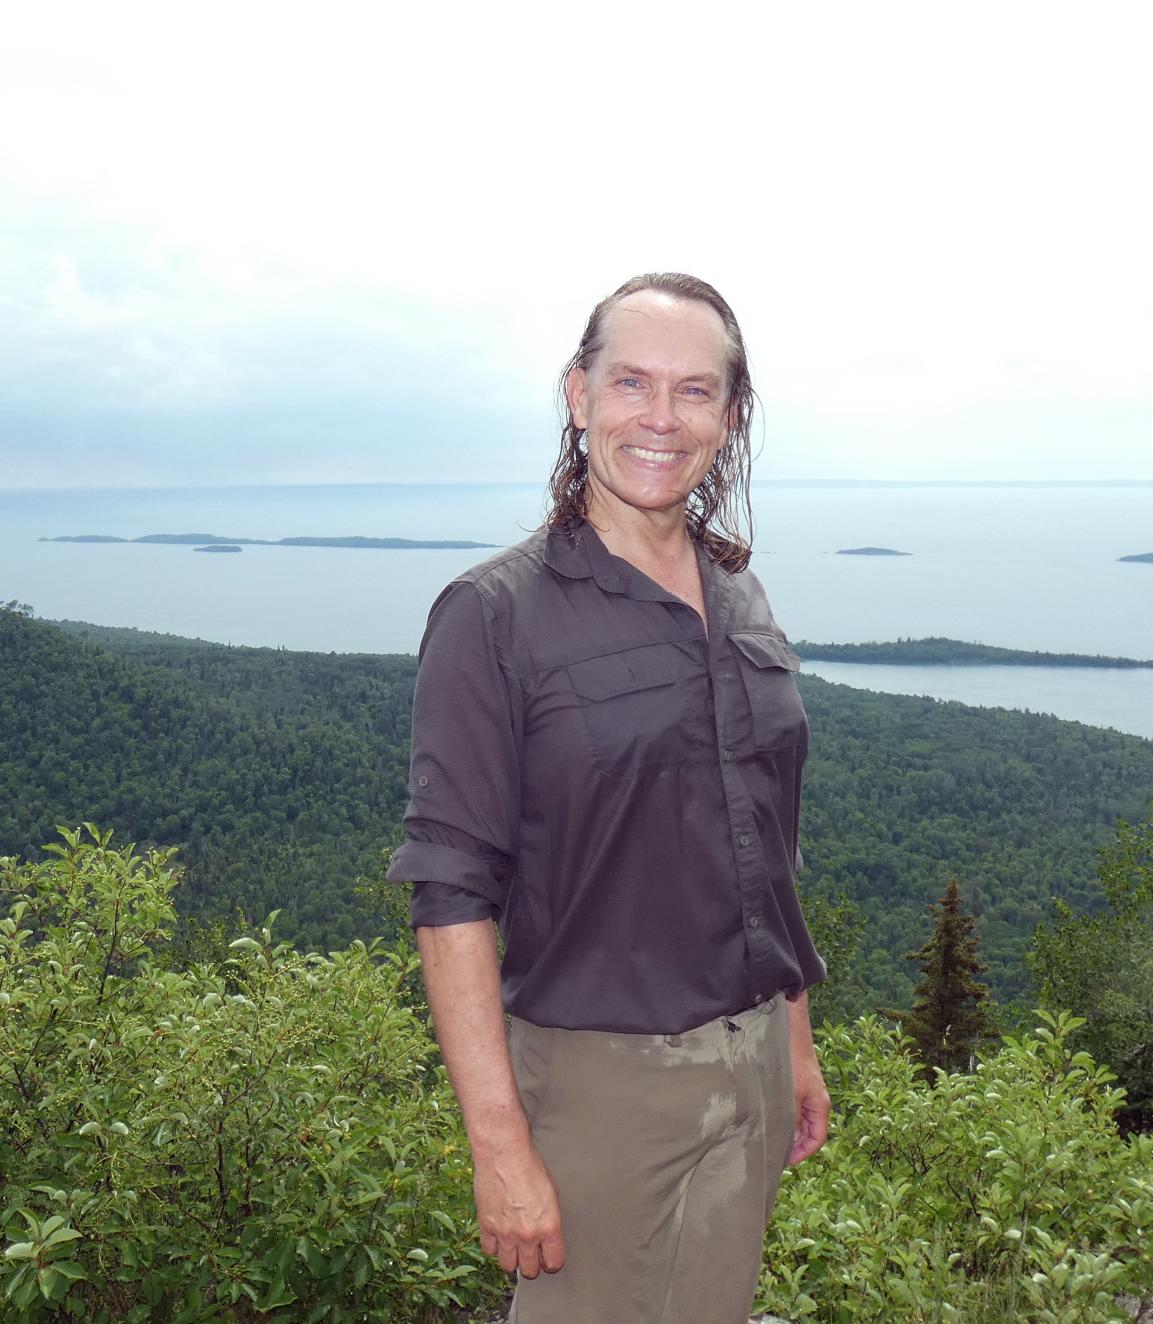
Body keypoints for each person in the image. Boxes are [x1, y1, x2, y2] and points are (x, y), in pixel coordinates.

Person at [387, 272, 830, 1323]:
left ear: (730, 417)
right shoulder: (495, 614)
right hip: (599, 1085)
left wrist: (795, 1043)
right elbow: (450, 893)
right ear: (578, 394)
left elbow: (763, 843)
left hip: (754, 1064)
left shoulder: (739, 594)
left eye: (694, 390)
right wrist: (500, 1147)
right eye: (631, 382)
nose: (660, 417)